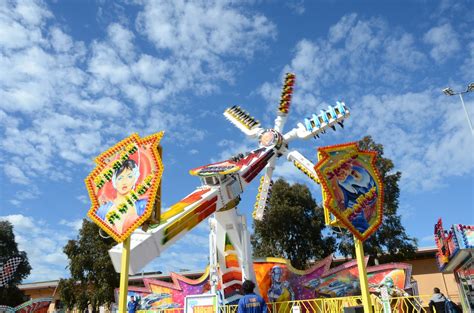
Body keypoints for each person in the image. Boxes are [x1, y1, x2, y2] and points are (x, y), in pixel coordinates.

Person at [96, 159, 148, 234]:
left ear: (135, 178)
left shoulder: (143, 205)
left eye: (129, 176)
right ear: (114, 181)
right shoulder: (103, 210)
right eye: (120, 178)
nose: (124, 181)